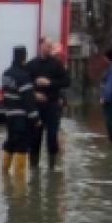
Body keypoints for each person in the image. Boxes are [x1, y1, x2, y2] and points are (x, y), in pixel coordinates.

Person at [25, 37, 71, 168]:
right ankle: (34, 167)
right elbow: (23, 84)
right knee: (35, 138)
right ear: (40, 46)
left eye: (51, 47)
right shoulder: (31, 64)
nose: (50, 49)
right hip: (36, 106)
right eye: (47, 46)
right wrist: (34, 93)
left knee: (52, 138)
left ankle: (52, 167)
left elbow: (67, 81)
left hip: (52, 105)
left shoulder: (56, 65)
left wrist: (50, 83)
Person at [0, 45, 39, 176]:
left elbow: (6, 95)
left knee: (10, 144)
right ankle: (19, 186)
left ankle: (4, 174)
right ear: (24, 58)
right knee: (21, 147)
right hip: (21, 119)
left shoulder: (6, 74)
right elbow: (29, 102)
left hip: (9, 117)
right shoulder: (23, 76)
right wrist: (36, 120)